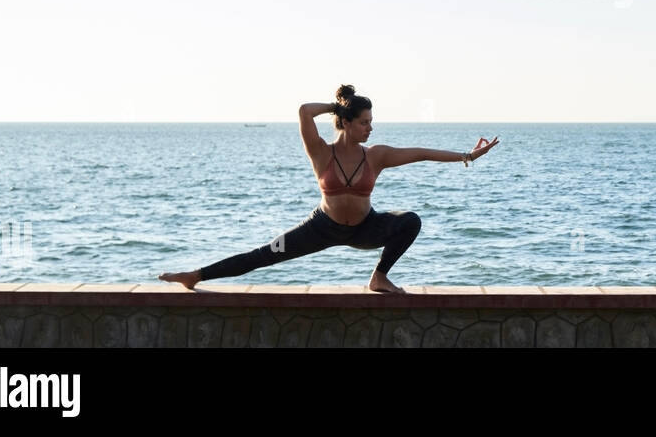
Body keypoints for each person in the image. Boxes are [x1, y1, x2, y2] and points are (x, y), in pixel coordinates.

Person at [158, 84, 500, 293]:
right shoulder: (321, 152)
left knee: (410, 221)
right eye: (364, 121)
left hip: (367, 228)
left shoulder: (376, 155)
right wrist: (336, 105)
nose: (370, 127)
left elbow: (423, 153)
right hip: (320, 228)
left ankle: (378, 278)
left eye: (371, 121)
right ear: (347, 123)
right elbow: (305, 112)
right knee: (265, 253)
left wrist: (468, 155)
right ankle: (197, 275)